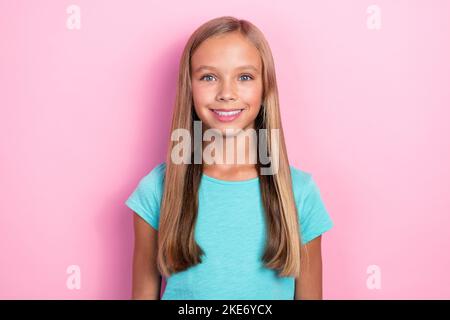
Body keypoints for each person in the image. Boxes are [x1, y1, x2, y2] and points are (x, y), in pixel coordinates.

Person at [125, 16, 333, 300]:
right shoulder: (156, 190)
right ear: (190, 86)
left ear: (265, 88)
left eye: (244, 77)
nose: (226, 93)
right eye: (208, 77)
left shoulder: (299, 193)